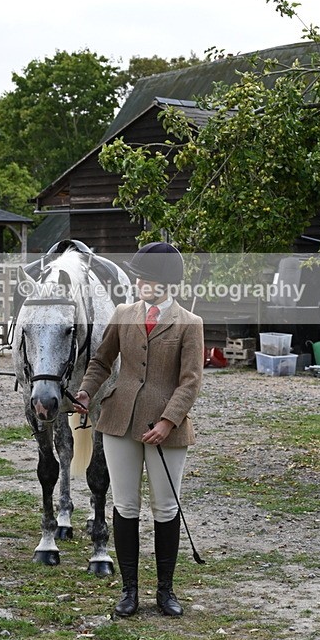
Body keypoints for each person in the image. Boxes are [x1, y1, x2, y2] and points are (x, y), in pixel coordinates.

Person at [73, 242, 204, 618]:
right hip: (119, 421)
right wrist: (86, 390)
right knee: (125, 505)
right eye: (138, 277)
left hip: (168, 429)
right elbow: (101, 360)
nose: (140, 282)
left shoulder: (189, 324)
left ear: (166, 283)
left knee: (165, 507)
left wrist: (168, 421)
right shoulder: (123, 313)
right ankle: (129, 590)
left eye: (147, 278)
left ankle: (165, 591)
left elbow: (190, 381)